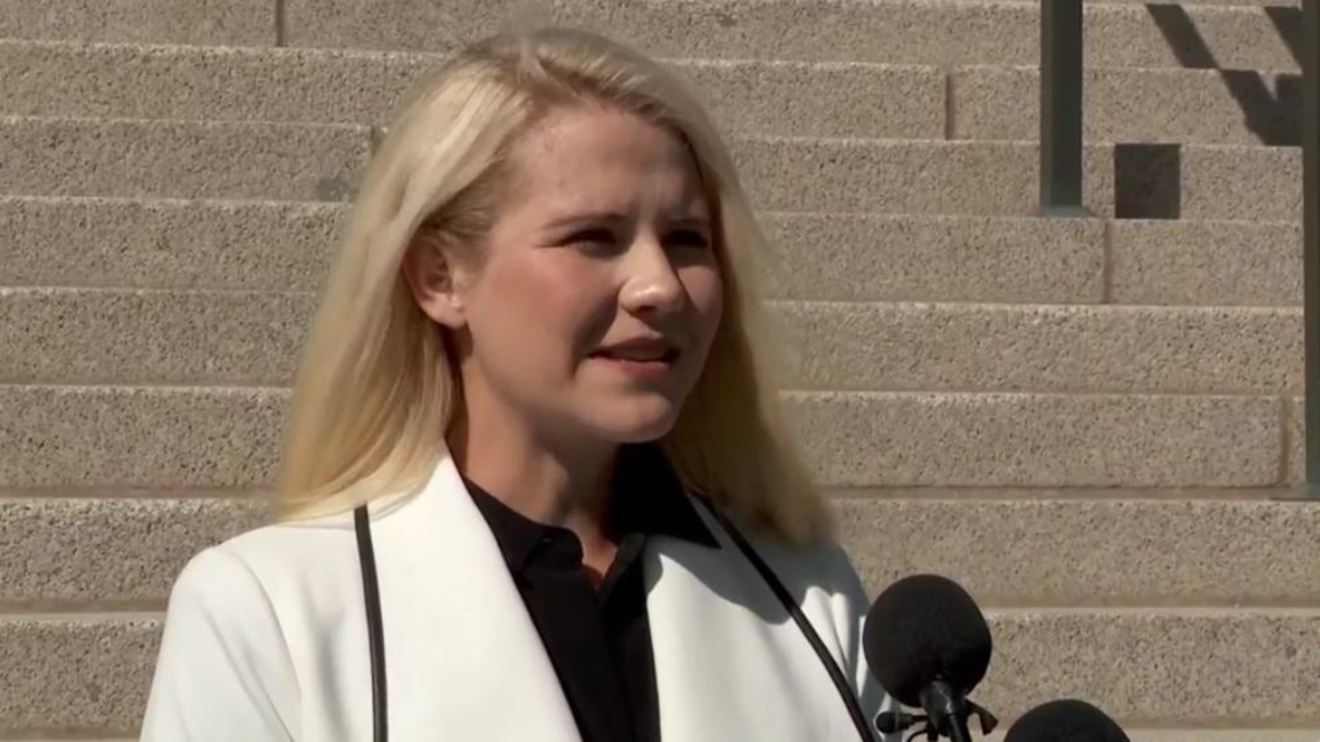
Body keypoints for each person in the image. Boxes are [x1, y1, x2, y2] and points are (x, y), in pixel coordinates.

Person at [139, 25, 899, 742]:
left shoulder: (812, 596)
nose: (660, 286)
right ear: (440, 277)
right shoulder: (267, 613)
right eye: (593, 237)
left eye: (686, 240)